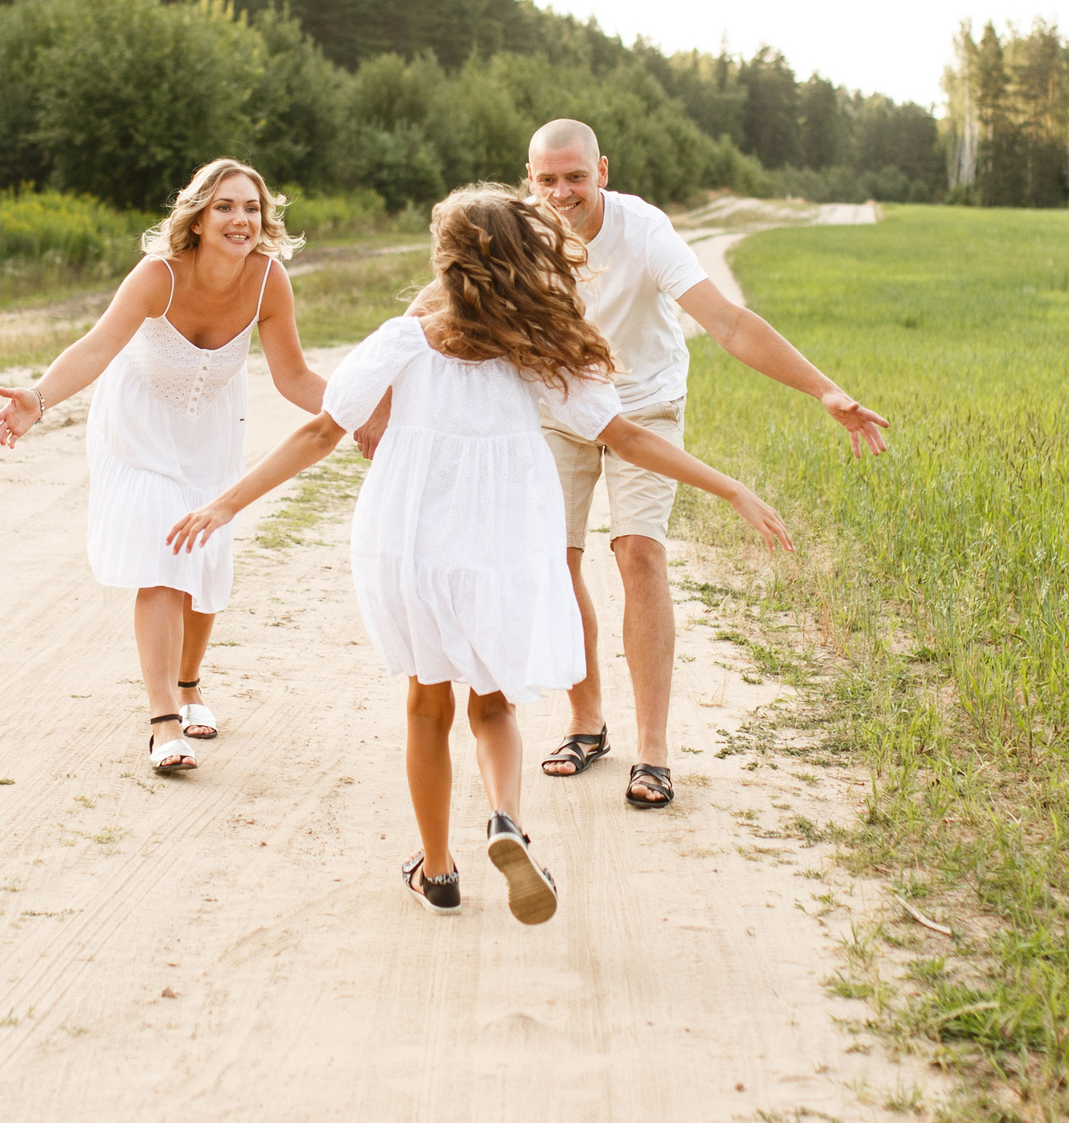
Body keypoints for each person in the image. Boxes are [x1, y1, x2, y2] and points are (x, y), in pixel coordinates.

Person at [167, 186, 788, 921]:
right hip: (504, 546)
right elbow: (629, 438)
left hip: (413, 546)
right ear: (527, 259)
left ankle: (436, 870)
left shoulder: (403, 340)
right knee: (493, 707)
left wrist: (225, 503)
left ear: (450, 263)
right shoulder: (544, 351)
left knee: (427, 706)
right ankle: (505, 820)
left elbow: (318, 434)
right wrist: (730, 489)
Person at [357, 119, 889, 810]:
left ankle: (655, 750)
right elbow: (436, 305)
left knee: (638, 553)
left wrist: (825, 388)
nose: (561, 191)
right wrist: (375, 400)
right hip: (554, 408)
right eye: (546, 179)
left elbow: (727, 322)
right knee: (554, 557)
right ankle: (586, 722)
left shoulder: (644, 232)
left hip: (642, 406)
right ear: (529, 179)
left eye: (574, 176)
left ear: (601, 171)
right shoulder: (522, 229)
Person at [0, 159, 326, 774]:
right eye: (225, 206)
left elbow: (295, 377)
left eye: (250, 208)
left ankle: (191, 684)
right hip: (139, 430)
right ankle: (163, 720)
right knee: (164, 560)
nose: (240, 219)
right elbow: (96, 345)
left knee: (203, 562)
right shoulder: (159, 275)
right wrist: (37, 401)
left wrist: (366, 410)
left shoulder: (268, 281)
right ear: (198, 216)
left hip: (212, 436)